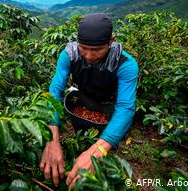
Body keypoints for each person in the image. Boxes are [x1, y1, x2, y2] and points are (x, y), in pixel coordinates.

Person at [39, 13, 139, 188]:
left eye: (97, 49)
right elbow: (55, 90)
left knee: (108, 138)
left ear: (111, 41)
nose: (89, 56)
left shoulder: (126, 64)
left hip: (110, 104)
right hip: (84, 97)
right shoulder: (69, 55)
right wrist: (52, 138)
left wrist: (98, 150)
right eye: (83, 48)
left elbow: (125, 107)